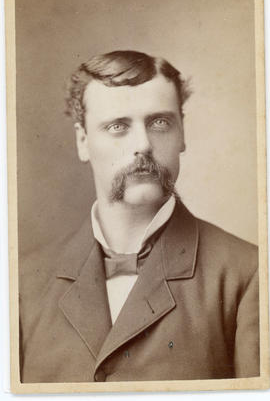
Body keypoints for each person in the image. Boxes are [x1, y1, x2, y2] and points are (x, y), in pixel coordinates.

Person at [19, 50, 259, 383]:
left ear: (182, 135)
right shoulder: (21, 285)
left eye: (160, 122)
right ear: (83, 141)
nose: (143, 144)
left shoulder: (249, 275)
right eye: (118, 126)